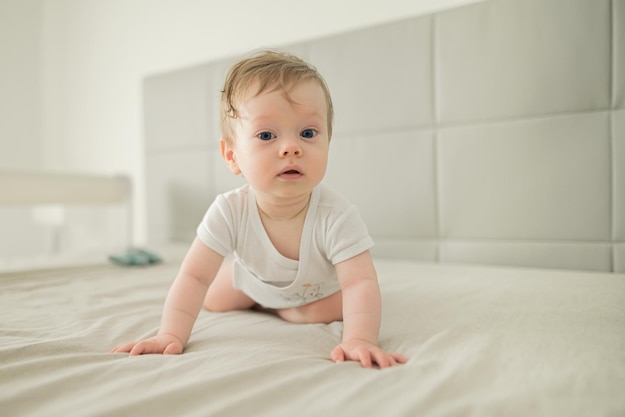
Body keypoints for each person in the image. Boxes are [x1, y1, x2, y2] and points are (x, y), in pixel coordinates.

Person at [112, 50, 407, 368]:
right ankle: (256, 292)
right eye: (266, 135)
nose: (291, 147)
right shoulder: (229, 210)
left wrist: (359, 338)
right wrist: (169, 334)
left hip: (313, 293)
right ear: (232, 156)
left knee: (309, 314)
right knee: (212, 297)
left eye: (308, 133)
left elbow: (358, 282)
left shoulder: (336, 216)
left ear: (328, 142)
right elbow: (194, 276)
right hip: (251, 281)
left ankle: (281, 308)